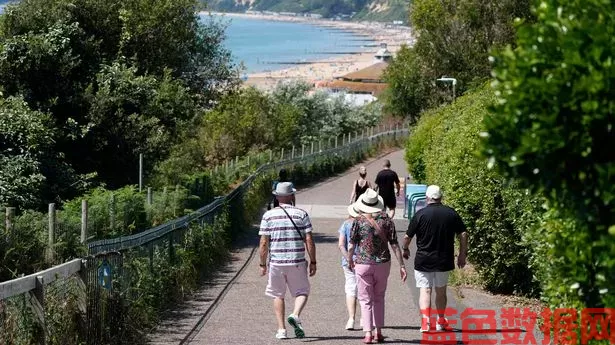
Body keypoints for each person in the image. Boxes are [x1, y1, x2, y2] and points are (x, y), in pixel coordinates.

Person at [401, 185, 468, 333]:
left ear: (427, 198)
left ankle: (425, 323)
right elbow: (463, 233)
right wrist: (463, 253)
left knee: (425, 291)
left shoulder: (420, 214)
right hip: (444, 260)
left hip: (423, 260)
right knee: (441, 292)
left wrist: (405, 249)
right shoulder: (451, 213)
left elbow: (407, 236)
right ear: (441, 198)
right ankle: (440, 320)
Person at [347, 188, 407, 344]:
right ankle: (378, 332)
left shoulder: (358, 221)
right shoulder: (387, 220)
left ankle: (368, 334)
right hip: (383, 263)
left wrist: (349, 260)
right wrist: (402, 265)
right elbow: (394, 245)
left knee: (365, 299)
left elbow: (351, 245)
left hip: (363, 263)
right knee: (379, 297)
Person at [259, 182, 317, 339]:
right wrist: (313, 261)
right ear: (292, 195)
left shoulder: (268, 216)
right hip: (297, 261)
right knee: (302, 291)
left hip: (276, 262)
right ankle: (295, 314)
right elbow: (309, 240)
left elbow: (264, 242)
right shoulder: (301, 214)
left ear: (277, 197)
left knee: (278, 294)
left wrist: (262, 264)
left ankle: (281, 330)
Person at [338, 204, 360, 330]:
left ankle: (351, 319)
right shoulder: (365, 224)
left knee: (351, 289)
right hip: (363, 261)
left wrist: (348, 258)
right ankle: (364, 319)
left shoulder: (345, 224)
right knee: (364, 290)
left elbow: (341, 244)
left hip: (348, 262)